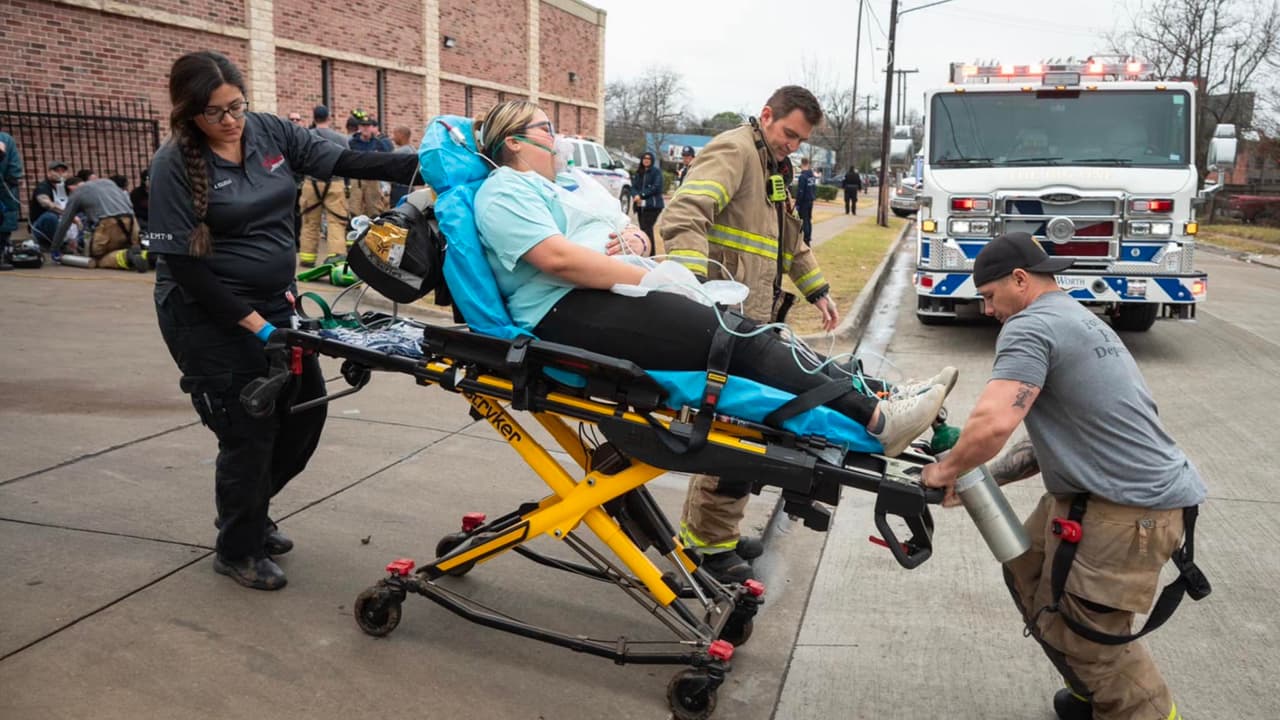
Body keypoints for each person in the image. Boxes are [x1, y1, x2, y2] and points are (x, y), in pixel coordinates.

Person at [472, 100, 950, 571]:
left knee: (760, 346)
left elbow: (633, 231)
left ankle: (880, 397)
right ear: (513, 142)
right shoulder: (505, 191)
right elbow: (558, 259)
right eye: (546, 128)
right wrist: (660, 280)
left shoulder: (567, 187)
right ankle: (876, 418)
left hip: (618, 292)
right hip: (565, 309)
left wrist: (637, 242)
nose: (557, 138)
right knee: (735, 342)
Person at [146, 51, 422, 591]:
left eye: (236, 106)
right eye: (214, 112)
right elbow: (184, 267)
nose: (230, 120)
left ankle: (246, 512)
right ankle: (238, 549)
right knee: (248, 429)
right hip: (205, 311)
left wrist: (421, 165)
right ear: (189, 113)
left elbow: (343, 160)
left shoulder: (269, 132)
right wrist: (257, 326)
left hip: (275, 302)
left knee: (303, 413)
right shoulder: (173, 163)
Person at [921, 232, 1207, 720]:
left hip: (1127, 511)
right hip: (1095, 495)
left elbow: (992, 423)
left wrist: (944, 470)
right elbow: (1060, 436)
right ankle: (1090, 692)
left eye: (989, 296)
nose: (987, 310)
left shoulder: (1030, 326)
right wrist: (982, 477)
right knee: (1025, 565)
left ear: (1019, 280)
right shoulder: (1075, 318)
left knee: (1092, 639)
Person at [655, 86, 841, 581]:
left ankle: (711, 535)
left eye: (800, 140)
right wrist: (697, 290)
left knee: (745, 434)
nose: (793, 146)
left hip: (750, 322)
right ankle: (708, 548)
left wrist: (818, 291)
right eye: (789, 134)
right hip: (724, 321)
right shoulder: (735, 150)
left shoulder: (771, 166)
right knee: (733, 436)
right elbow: (684, 215)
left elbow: (791, 240)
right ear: (766, 115)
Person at [51, 175, 147, 271]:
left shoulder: (76, 193)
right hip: (131, 221)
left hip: (108, 224)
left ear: (70, 188)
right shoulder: (108, 182)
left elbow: (64, 223)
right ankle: (148, 256)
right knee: (127, 245)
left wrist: (55, 249)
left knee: (97, 258)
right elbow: (128, 202)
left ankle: (127, 256)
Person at [297, 104, 351, 266]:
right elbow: (348, 163)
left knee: (309, 221)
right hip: (335, 183)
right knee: (336, 222)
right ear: (329, 118)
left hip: (311, 183)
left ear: (314, 118)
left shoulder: (306, 136)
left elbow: (298, 160)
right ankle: (337, 258)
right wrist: (347, 184)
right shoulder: (341, 139)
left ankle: (307, 258)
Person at [348, 114, 392, 221]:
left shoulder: (378, 143)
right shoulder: (352, 143)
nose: (365, 129)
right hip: (357, 179)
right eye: (363, 126)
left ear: (372, 127)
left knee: (375, 209)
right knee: (354, 209)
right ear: (359, 127)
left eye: (368, 126)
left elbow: (386, 161)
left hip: (373, 179)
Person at [29, 160, 70, 248]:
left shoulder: (66, 187)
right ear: (49, 173)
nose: (60, 174)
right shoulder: (43, 187)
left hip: (62, 221)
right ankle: (58, 245)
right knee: (50, 216)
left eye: (63, 171)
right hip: (41, 227)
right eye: (57, 171)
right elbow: (46, 204)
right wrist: (69, 214)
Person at [631, 151, 663, 251]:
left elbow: (656, 187)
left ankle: (651, 254)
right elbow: (633, 187)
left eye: (648, 158)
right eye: (644, 158)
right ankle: (646, 252)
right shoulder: (639, 172)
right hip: (640, 206)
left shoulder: (656, 172)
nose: (646, 160)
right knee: (643, 229)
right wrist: (635, 195)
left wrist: (641, 195)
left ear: (652, 160)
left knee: (647, 229)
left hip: (653, 206)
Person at [0, 128, 22, 270]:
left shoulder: (5, 139)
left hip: (4, 187)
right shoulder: (6, 139)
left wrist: (11, 178)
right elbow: (14, 165)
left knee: (4, 221)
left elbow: (14, 164)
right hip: (5, 187)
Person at [389, 125, 416, 207]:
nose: (392, 138)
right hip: (410, 187)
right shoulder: (413, 150)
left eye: (394, 134)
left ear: (401, 135)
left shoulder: (399, 153)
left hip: (399, 189)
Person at [795, 157, 817, 244]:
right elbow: (814, 188)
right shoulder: (812, 176)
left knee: (804, 220)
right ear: (808, 164)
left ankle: (805, 239)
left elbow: (801, 191)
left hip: (803, 202)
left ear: (802, 164)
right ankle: (808, 237)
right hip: (810, 200)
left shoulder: (803, 177)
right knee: (808, 219)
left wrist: (797, 203)